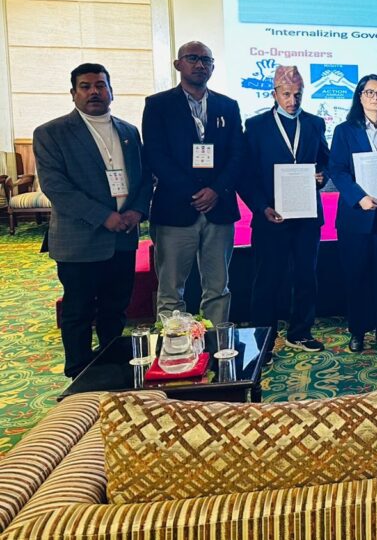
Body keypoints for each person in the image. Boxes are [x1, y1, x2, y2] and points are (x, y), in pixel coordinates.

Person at [33, 63, 152, 377]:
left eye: (100, 85)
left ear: (111, 91)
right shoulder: (51, 133)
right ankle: (79, 372)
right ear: (73, 93)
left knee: (116, 308)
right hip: (80, 240)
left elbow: (142, 178)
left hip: (123, 237)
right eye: (85, 86)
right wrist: (104, 217)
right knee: (79, 310)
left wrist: (137, 211)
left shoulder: (128, 131)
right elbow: (56, 187)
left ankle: (111, 364)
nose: (94, 92)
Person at [143, 41, 244, 326]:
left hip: (219, 208)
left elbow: (238, 154)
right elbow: (155, 155)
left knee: (218, 288)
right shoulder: (158, 105)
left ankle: (215, 345)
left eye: (206, 60)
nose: (200, 65)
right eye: (192, 58)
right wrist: (193, 192)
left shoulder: (228, 105)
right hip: (175, 209)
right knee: (171, 291)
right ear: (178, 64)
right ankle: (174, 353)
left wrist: (215, 190)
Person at [239, 66, 329, 353]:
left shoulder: (315, 123)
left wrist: (322, 177)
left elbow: (325, 162)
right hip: (270, 216)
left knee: (306, 276)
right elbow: (246, 174)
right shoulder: (256, 126)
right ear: (274, 93)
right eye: (287, 94)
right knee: (267, 279)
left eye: (298, 94)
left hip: (306, 215)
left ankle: (300, 332)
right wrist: (261, 207)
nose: (293, 100)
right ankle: (262, 339)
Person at [328, 74, 377, 352]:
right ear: (359, 96)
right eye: (370, 92)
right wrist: (358, 197)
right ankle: (358, 331)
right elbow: (336, 170)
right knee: (356, 275)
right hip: (356, 215)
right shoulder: (343, 130)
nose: (376, 97)